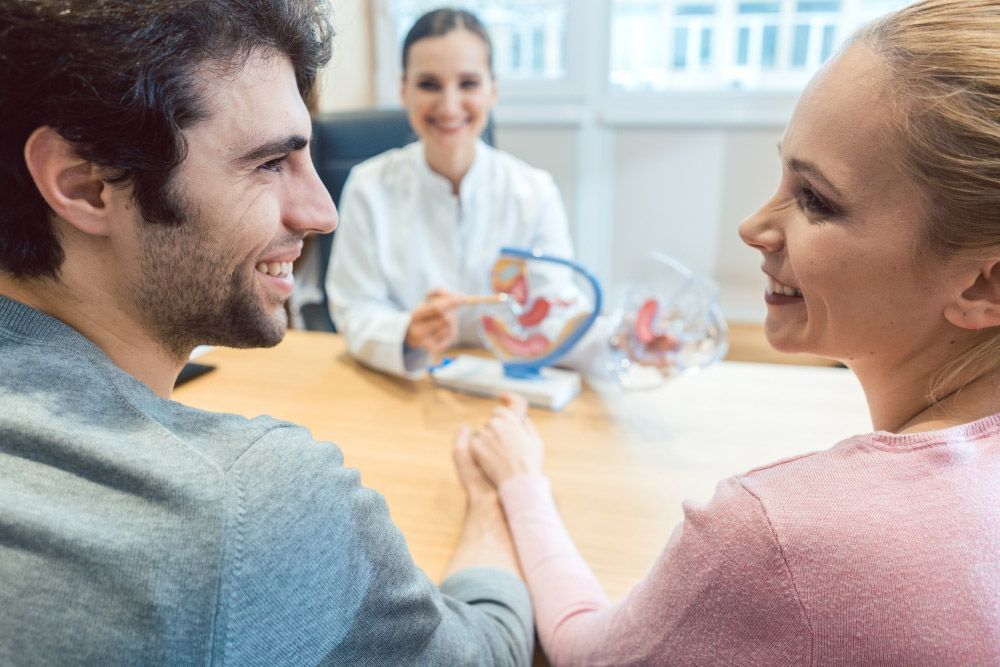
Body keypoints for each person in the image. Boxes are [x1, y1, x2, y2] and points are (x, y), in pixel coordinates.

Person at [461, 0, 1000, 664]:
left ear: (982, 285)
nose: (753, 226)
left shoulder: (774, 535)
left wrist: (519, 480)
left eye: (815, 200)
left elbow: (582, 651)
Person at [0, 2, 534, 664]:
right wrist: (493, 499)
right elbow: (488, 654)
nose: (322, 212)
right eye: (269, 163)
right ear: (84, 184)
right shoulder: (248, 504)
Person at [326, 8, 589, 378]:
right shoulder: (368, 187)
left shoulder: (534, 192)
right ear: (404, 90)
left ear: (493, 90)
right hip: (409, 386)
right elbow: (354, 308)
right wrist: (405, 334)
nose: (449, 106)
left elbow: (555, 309)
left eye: (468, 83)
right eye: (429, 84)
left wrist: (617, 339)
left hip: (506, 385)